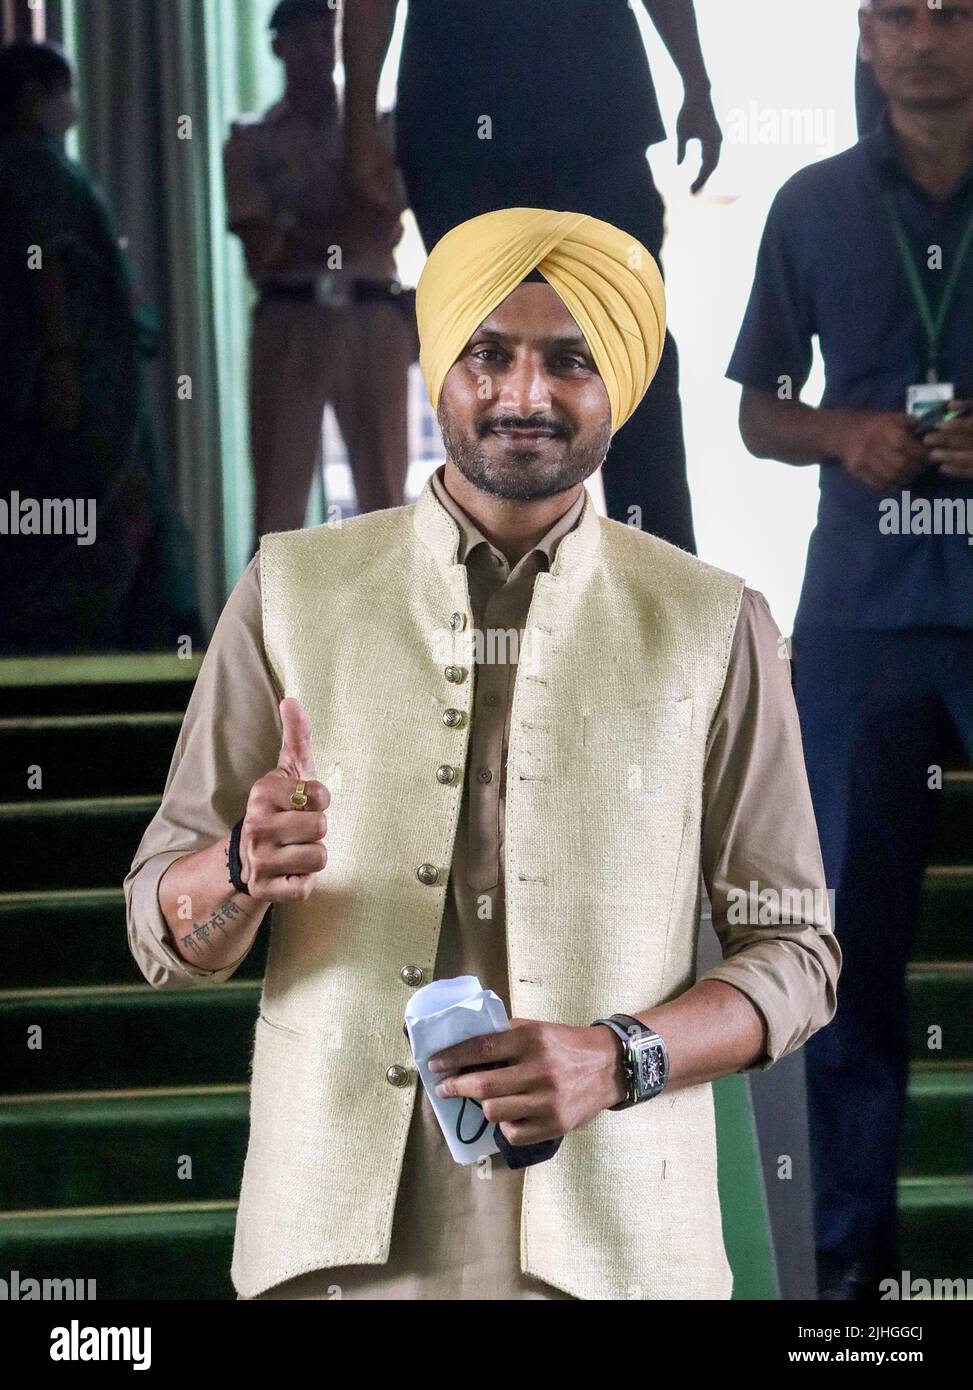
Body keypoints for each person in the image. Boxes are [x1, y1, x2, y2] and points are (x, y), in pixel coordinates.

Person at [125, 206, 840, 1302]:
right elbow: (164, 932)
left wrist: (616, 1057)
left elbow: (794, 952)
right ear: (437, 367)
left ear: (620, 387)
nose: (524, 395)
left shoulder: (713, 622)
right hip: (333, 1254)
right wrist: (237, 867)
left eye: (569, 361)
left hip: (617, 1254)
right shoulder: (290, 589)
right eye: (488, 354)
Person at [726, 0, 973, 1301]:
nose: (925, 34)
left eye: (952, 11)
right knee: (847, 960)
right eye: (898, 11)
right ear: (868, 40)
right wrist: (844, 435)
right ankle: (845, 1281)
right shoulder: (811, 205)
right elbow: (759, 409)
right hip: (864, 621)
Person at [342, 0, 724, 555]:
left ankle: (666, 592)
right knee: (483, 352)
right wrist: (356, 121)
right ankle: (490, 581)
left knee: (632, 349)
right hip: (464, 119)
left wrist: (697, 82)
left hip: (588, 113)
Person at [0, 39, 202, 653]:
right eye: (66, 94)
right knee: (94, 518)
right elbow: (50, 267)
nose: (74, 109)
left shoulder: (44, 166)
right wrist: (61, 359)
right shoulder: (29, 168)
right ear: (37, 98)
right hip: (81, 382)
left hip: (97, 374)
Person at [224, 0, 417, 546]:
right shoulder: (251, 139)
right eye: (302, 39)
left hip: (371, 309)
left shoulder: (379, 126)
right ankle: (267, 631)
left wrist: (296, 229)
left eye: (324, 38)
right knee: (277, 507)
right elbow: (263, 247)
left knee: (385, 501)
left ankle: (392, 628)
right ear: (277, 47)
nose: (316, 52)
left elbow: (383, 225)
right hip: (292, 314)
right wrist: (344, 227)